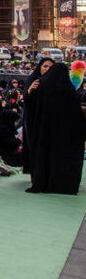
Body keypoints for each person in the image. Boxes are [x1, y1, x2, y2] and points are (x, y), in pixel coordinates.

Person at [26, 63, 84, 194]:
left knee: (44, 156)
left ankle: (42, 182)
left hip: (44, 133)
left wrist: (29, 92)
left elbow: (31, 108)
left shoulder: (41, 87)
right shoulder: (69, 90)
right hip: (65, 135)